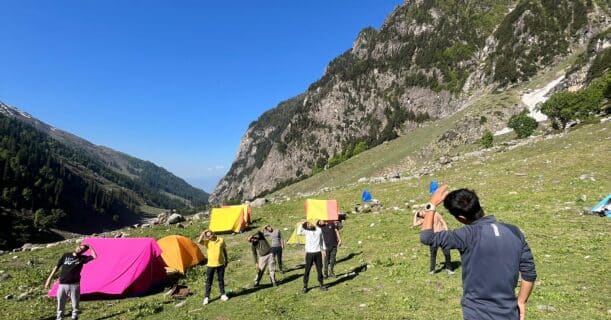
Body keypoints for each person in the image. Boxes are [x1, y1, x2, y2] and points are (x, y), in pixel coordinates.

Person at [419, 186, 537, 320]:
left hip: (477, 312)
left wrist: (431, 205)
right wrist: (521, 301)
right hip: (509, 313)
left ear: (461, 218)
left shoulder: (466, 235)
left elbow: (427, 237)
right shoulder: (514, 232)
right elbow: (529, 273)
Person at [44, 243, 97, 320]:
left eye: (82, 249)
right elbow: (57, 267)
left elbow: (94, 256)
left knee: (75, 304)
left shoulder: (82, 258)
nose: (80, 249)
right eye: (79, 247)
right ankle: (59, 318)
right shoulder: (66, 255)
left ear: (83, 252)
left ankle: (74, 317)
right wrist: (49, 279)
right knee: (60, 304)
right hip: (62, 284)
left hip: (74, 285)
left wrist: (90, 246)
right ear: (77, 246)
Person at [413, 210, 454, 274]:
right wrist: (416, 214)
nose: (422, 214)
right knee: (433, 254)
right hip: (433, 237)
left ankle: (449, 269)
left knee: (447, 253)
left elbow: (442, 221)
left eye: (421, 212)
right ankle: (432, 270)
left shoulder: (435, 213)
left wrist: (447, 231)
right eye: (420, 215)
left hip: (442, 235)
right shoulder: (424, 220)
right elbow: (415, 224)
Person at [198, 229, 229, 305]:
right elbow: (199, 241)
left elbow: (224, 250)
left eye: (210, 234)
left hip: (220, 264)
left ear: (213, 233)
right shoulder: (207, 242)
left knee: (221, 280)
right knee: (209, 282)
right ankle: (206, 297)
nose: (210, 236)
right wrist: (203, 233)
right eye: (208, 236)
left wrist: (226, 259)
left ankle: (223, 294)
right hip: (210, 265)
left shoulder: (221, 240)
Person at [297, 220, 328, 293]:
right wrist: (302, 224)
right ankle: (305, 286)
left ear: (311, 223)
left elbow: (322, 240)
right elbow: (298, 232)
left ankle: (321, 285)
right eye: (307, 225)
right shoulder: (306, 231)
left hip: (318, 253)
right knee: (307, 270)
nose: (309, 225)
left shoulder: (319, 230)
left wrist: (324, 249)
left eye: (309, 223)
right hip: (309, 254)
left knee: (320, 270)